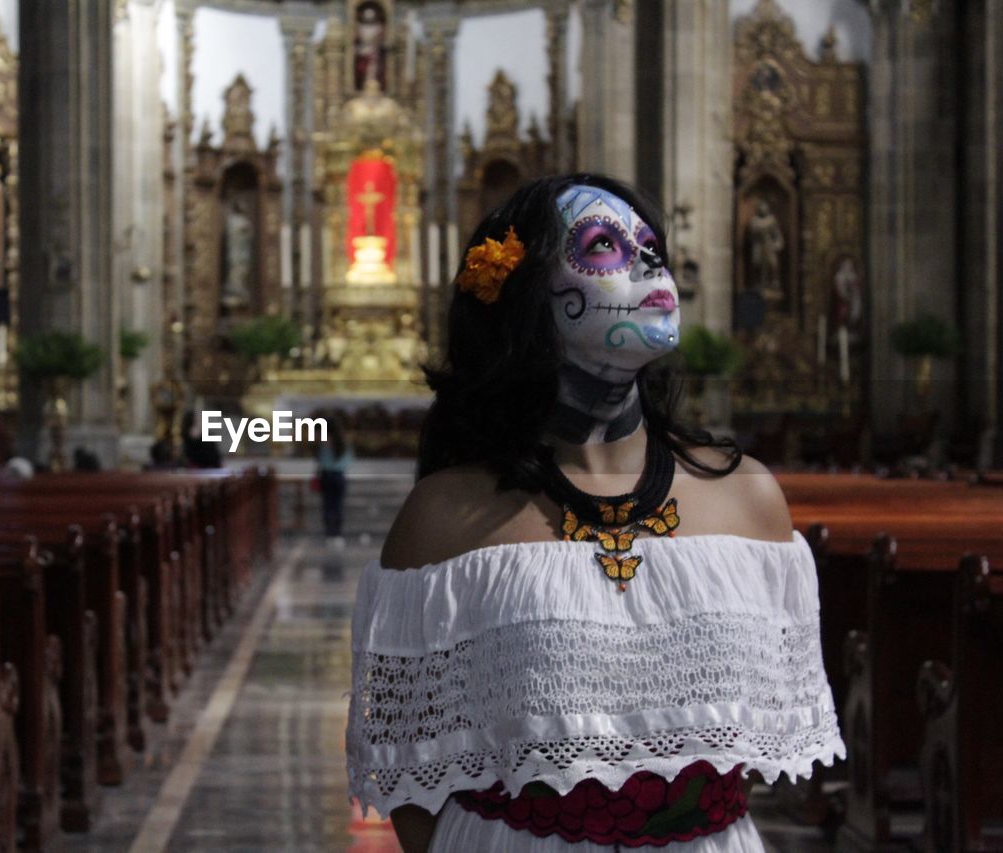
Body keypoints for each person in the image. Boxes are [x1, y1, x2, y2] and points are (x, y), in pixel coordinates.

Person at [345, 174, 846, 852]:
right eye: (604, 243)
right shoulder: (444, 519)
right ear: (527, 298)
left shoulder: (750, 502)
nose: (647, 261)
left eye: (650, 245)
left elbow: (747, 746)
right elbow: (412, 773)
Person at [316, 417, 353, 548]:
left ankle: (329, 534)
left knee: (327, 505)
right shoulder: (343, 441)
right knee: (338, 506)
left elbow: (320, 461)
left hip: (326, 475)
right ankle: (337, 534)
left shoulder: (323, 441)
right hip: (339, 475)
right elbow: (349, 460)